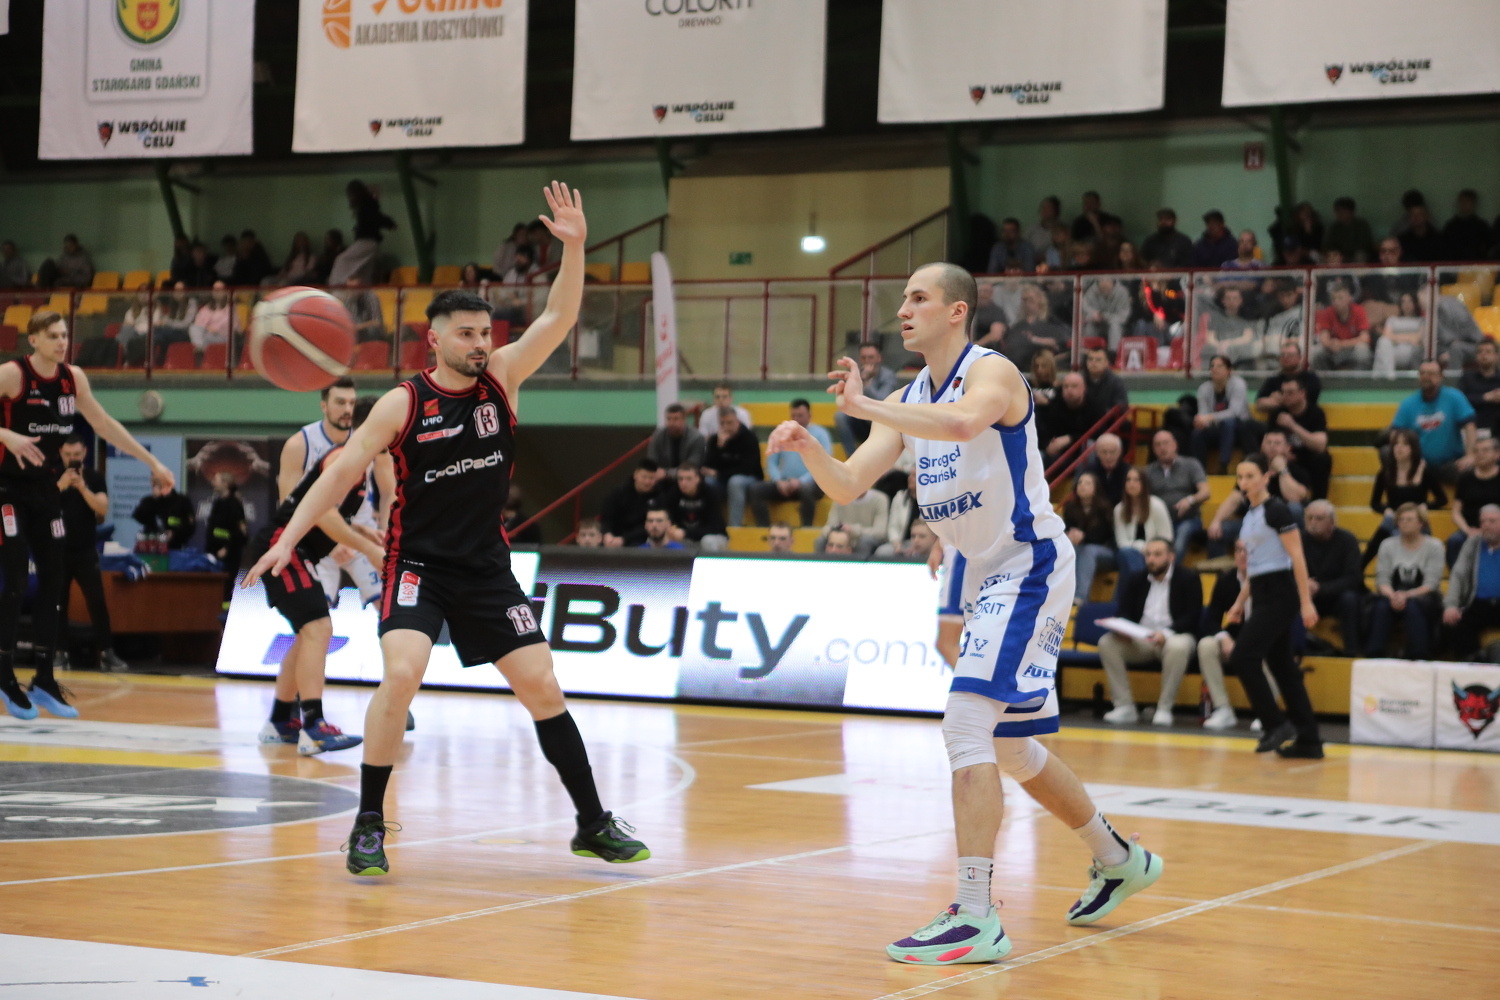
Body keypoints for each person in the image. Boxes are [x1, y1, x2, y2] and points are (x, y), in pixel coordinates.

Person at [245, 184, 650, 878]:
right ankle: (368, 825)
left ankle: (592, 822)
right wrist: (286, 539)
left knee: (544, 687)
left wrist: (575, 247)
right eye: (466, 334)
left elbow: (558, 314)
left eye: (484, 333)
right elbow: (338, 477)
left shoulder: (503, 379)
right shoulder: (403, 403)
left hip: (486, 568)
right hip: (418, 566)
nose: (480, 344)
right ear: (434, 339)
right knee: (402, 673)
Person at [766, 261, 1161, 964]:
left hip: (1028, 563)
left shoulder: (993, 372)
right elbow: (851, 485)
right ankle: (1118, 858)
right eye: (903, 299)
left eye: (918, 298)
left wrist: (867, 406)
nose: (903, 310)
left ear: (957, 311)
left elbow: (961, 422)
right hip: (981, 569)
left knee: (965, 724)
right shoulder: (909, 396)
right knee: (1007, 746)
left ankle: (976, 914)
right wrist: (812, 450)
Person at [0, 312, 174, 720]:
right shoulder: (12, 374)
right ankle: (4, 675)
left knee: (55, 578)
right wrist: (5, 435)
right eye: (53, 335)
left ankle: (44, 679)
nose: (62, 342)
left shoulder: (72, 379)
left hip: (46, 490)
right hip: (7, 489)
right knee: (17, 577)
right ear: (33, 340)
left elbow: (105, 424)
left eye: (65, 335)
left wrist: (152, 462)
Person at [249, 404, 385, 755]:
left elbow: (329, 513)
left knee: (309, 632)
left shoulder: (361, 464)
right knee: (318, 628)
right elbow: (323, 514)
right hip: (285, 546)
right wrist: (368, 549)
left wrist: (364, 533)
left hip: (301, 551)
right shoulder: (343, 459)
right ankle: (314, 725)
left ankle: (280, 721)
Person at [1218, 453, 1322, 757]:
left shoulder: (1277, 510)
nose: (1244, 482)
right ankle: (1310, 740)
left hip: (1281, 592)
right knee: (1283, 667)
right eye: (1240, 477)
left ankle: (1275, 724)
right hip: (1262, 590)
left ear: (1266, 477)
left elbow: (1297, 556)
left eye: (1251, 476)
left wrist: (1305, 602)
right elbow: (1256, 566)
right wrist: (1239, 603)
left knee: (1243, 656)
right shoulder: (1250, 515)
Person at [1096, 538, 1203, 727]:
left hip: (1174, 636)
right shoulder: (1136, 578)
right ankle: (1124, 706)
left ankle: (1164, 708)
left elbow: (1192, 616)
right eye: (1148, 554)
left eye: (1157, 554)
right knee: (1107, 642)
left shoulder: (1188, 578)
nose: (1151, 559)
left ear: (1171, 556)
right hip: (1143, 639)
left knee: (1178, 647)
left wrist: (1166, 633)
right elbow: (1124, 611)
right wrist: (1123, 628)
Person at [278, 377, 358, 599]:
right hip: (314, 536)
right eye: (340, 402)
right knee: (319, 614)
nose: (348, 409)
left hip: (358, 532)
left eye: (352, 403)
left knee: (389, 604)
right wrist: (328, 542)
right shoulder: (299, 445)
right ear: (324, 406)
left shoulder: (365, 441)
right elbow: (288, 508)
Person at [54, 436, 128, 673]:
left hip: (85, 550)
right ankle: (59, 653)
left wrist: (82, 487)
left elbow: (102, 508)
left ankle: (107, 652)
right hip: (57, 550)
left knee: (97, 601)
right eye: (68, 455)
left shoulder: (94, 478)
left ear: (84, 453)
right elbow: (41, 506)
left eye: (76, 455)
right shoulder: (53, 476)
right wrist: (61, 485)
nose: (72, 459)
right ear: (61, 453)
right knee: (58, 603)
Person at [1206, 428, 1309, 555]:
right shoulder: (1253, 470)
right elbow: (1234, 498)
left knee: (1294, 508)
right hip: (1255, 524)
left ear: (1287, 448)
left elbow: (1294, 498)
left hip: (1282, 528)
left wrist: (1282, 471)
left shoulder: (1297, 470)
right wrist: (1216, 521)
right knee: (1218, 530)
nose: (1272, 446)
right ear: (1262, 446)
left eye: (1277, 443)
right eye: (1268, 442)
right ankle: (1216, 566)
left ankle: (1295, 558)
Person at [1367, 504, 1444, 659]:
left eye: (1409, 519)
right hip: (1393, 593)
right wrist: (1393, 596)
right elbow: (1382, 579)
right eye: (1401, 520)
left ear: (1421, 523)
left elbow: (1431, 584)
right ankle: (1374, 653)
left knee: (1413, 607)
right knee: (1382, 606)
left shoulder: (1434, 546)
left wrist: (1406, 596)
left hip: (1424, 595)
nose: (1404, 523)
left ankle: (1419, 654)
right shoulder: (1387, 544)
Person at [1363, 427, 1445, 566]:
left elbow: (1442, 499)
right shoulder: (1385, 473)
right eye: (1396, 444)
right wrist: (1385, 509)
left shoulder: (1424, 471)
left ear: (1413, 448)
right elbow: (1374, 503)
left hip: (1417, 521)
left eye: (1405, 444)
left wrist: (1425, 506)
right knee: (1388, 522)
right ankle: (1360, 567)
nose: (1399, 448)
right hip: (1395, 520)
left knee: (1409, 524)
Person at [1193, 539, 1252, 731]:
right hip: (1235, 639)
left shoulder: (1272, 581)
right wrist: (1224, 638)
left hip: (1262, 640)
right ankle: (1223, 709)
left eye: (1247, 550)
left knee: (1271, 650)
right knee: (1207, 645)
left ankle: (1267, 712)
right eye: (1238, 550)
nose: (1242, 555)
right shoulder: (1226, 580)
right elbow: (1210, 620)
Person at [1393, 361, 1476, 483]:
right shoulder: (1408, 403)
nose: (1426, 377)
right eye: (1423, 373)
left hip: (1450, 463)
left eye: (1431, 373)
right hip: (1418, 465)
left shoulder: (1455, 397)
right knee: (1386, 454)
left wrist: (1470, 455)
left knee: (1471, 469)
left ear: (1441, 376)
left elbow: (1470, 426)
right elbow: (1396, 434)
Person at [750, 399, 829, 527]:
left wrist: (801, 481)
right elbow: (772, 461)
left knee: (806, 489)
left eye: (800, 415)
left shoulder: (820, 434)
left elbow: (823, 464)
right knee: (756, 490)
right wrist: (778, 480)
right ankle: (763, 528)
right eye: (793, 416)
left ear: (809, 416)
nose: (796, 419)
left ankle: (807, 529)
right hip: (785, 484)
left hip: (812, 483)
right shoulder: (782, 434)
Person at [1300, 501, 1364, 655]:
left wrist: (1320, 588)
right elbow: (1286, 571)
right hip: (1307, 595)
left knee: (1350, 599)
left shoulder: (1347, 540)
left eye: (1319, 518)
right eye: (1309, 518)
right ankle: (1296, 650)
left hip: (1336, 597)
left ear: (1332, 522)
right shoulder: (1298, 540)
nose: (1313, 522)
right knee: (1287, 597)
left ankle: (1352, 651)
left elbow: (1353, 578)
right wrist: (1303, 585)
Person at [1443, 504, 1500, 658]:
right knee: (1455, 622)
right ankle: (1472, 661)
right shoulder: (1473, 543)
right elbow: (1458, 574)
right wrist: (1451, 605)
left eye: (1492, 521)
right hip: (1478, 604)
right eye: (1483, 522)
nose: (1486, 525)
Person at [1146, 429, 1209, 565]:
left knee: (1182, 533)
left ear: (1175, 445)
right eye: (1158, 445)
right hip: (1161, 521)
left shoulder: (1191, 464)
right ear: (1154, 449)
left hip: (1189, 519)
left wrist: (1190, 500)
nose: (1162, 448)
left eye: (1166, 443)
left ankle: (1170, 570)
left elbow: (1205, 492)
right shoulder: (1148, 471)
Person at [1263, 377, 1331, 498]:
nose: (1286, 396)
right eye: (1283, 392)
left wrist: (1293, 426)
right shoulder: (1278, 412)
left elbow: (1320, 445)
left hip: (1306, 456)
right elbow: (1267, 441)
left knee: (1322, 459)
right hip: (1283, 457)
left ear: (1302, 393)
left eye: (1290, 392)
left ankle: (1319, 500)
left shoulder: (1315, 412)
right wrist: (1283, 454)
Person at [1062, 470, 1116, 605]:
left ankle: (1080, 597)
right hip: (1081, 547)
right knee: (1067, 550)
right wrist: (1071, 536)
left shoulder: (1105, 508)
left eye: (1087, 483)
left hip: (1105, 551)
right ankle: (1060, 596)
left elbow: (1103, 537)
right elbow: (1067, 529)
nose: (1082, 485)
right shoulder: (1070, 507)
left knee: (1088, 550)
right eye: (1080, 482)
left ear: (1096, 488)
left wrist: (1083, 537)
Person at [702, 406, 762, 528]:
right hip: (723, 479)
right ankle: (712, 525)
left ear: (737, 422)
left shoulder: (749, 438)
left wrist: (719, 474)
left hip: (749, 478)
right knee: (708, 482)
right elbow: (707, 467)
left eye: (729, 423)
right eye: (722, 423)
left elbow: (747, 468)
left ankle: (735, 527)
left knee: (735, 482)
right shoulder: (715, 439)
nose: (726, 427)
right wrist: (719, 447)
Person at [835, 344, 900, 455]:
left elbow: (882, 400)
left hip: (881, 419)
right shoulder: (855, 374)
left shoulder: (888, 376)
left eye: (871, 357)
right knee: (840, 416)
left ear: (879, 358)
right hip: (862, 418)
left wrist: (866, 383)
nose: (867, 361)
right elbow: (849, 399)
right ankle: (851, 456)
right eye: (863, 357)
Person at [330, 180, 397, 286]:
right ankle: (363, 288)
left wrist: (390, 224)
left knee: (341, 260)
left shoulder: (367, 207)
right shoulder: (367, 206)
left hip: (366, 242)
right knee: (365, 269)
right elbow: (376, 217)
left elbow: (377, 217)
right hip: (370, 242)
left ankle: (338, 283)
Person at [1448, 435, 1500, 565]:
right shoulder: (1465, 478)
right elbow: (1456, 512)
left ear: (1497, 454)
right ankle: (1458, 577)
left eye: (1485, 450)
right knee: (1454, 541)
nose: (1480, 454)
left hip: (1498, 529)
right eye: (1476, 451)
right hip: (1471, 529)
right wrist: (1467, 530)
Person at [1192, 355, 1250, 473]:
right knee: (1197, 433)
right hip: (1216, 428)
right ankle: (1198, 471)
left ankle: (1223, 465)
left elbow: (1234, 412)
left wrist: (1209, 417)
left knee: (1228, 423)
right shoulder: (1204, 388)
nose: (1215, 369)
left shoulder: (1238, 384)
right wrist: (1202, 422)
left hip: (1240, 429)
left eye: (1219, 366)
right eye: (1212, 366)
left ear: (1229, 371)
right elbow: (1203, 414)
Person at [1113, 467, 1170, 582]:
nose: (1131, 484)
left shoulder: (1157, 505)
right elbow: (1121, 542)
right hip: (1130, 553)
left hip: (1155, 552)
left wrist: (1149, 550)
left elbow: (1166, 538)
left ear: (1144, 483)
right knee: (1126, 553)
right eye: (1128, 480)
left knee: (1128, 565)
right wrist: (1141, 547)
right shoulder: (1119, 509)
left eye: (1136, 480)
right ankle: (1142, 583)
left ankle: (1135, 587)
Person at [1001, 284, 1071, 371]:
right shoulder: (1018, 326)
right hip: (1015, 368)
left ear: (1040, 300)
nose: (1026, 303)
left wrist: (1035, 339)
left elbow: (1059, 342)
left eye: (1030, 299)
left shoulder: (1051, 322)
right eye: (1024, 300)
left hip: (1039, 367)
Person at [207, 471, 248, 611]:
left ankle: (225, 614)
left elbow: (241, 534)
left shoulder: (235, 504)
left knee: (226, 586)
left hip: (230, 556)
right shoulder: (218, 503)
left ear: (225, 484)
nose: (213, 483)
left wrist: (227, 549)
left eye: (216, 480)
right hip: (214, 552)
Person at [662, 463, 727, 551]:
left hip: (714, 537)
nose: (684, 483)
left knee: (707, 541)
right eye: (680, 479)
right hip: (687, 539)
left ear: (698, 479)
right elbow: (669, 520)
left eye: (688, 479)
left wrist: (685, 533)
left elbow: (715, 527)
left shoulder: (710, 493)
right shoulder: (673, 494)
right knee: (661, 539)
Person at [601, 458, 664, 548]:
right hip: (614, 538)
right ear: (635, 475)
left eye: (651, 478)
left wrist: (624, 539)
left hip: (642, 541)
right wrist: (607, 534)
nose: (647, 482)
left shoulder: (659, 497)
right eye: (644, 477)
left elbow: (651, 525)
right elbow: (607, 518)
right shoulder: (618, 493)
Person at [1038, 372, 1100, 460]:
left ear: (1084, 388)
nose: (1069, 390)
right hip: (1057, 452)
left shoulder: (1094, 406)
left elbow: (1097, 433)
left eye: (1074, 386)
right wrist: (1047, 444)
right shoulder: (1055, 404)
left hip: (1081, 452)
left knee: (1090, 444)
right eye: (1066, 387)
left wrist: (1070, 438)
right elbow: (1044, 429)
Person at [1311, 282, 1372, 371]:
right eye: (1333, 299)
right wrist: (1330, 344)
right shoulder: (1327, 312)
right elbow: (1324, 338)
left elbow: (1365, 338)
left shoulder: (1359, 311)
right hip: (1333, 350)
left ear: (1349, 298)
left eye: (1340, 298)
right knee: (1316, 352)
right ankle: (1325, 378)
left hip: (1351, 349)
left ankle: (1358, 378)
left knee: (1363, 351)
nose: (1336, 302)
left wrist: (1341, 344)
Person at [816, 488, 888, 559]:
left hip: (865, 537)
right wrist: (834, 530)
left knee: (864, 542)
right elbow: (829, 525)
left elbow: (879, 532)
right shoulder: (840, 497)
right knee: (821, 541)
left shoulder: (879, 499)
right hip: (842, 536)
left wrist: (853, 530)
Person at [1198, 287, 1260, 369]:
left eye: (1235, 298)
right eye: (1228, 298)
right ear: (1223, 301)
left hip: (1240, 353)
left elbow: (1247, 338)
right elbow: (1210, 338)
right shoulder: (1215, 318)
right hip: (1219, 351)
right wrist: (1220, 346)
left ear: (1241, 300)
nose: (1231, 301)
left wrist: (1228, 344)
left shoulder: (1247, 319)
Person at [1373, 290, 1426, 377]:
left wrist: (1395, 338)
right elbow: (1386, 336)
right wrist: (1408, 338)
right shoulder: (1392, 320)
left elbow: (1418, 338)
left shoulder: (1421, 321)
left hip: (1411, 352)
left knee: (1384, 348)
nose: (1406, 304)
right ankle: (1389, 376)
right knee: (1383, 342)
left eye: (1409, 301)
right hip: (1392, 352)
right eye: (1403, 302)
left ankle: (1382, 377)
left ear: (1415, 303)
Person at [132, 479, 196, 548]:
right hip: (152, 544)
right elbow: (138, 516)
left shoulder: (182, 501)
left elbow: (190, 525)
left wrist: (174, 533)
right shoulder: (149, 501)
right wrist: (154, 500)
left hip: (174, 545)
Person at [646, 402, 705, 477]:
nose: (671, 423)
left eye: (675, 419)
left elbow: (693, 465)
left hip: (687, 478)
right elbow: (651, 461)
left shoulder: (696, 438)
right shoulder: (658, 435)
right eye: (668, 419)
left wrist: (666, 473)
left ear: (684, 419)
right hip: (660, 478)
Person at [1459, 337, 1500, 437]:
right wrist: (1485, 397)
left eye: (1488, 351)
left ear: (1497, 356)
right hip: (1471, 429)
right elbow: (1459, 401)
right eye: (1480, 352)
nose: (1484, 354)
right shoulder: (1467, 378)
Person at [1443, 190, 1492, 262]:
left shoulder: (1481, 226)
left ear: (1473, 204)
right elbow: (1445, 247)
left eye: (1468, 201)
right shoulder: (1451, 226)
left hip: (1476, 265)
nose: (1464, 204)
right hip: (1454, 265)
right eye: (1462, 201)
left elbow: (1487, 247)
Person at [1323, 196, 1376, 263]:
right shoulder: (1334, 227)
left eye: (1344, 211)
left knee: (1360, 255)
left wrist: (1347, 254)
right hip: (1339, 256)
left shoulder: (1362, 225)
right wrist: (1336, 254)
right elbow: (1328, 245)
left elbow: (1366, 244)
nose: (1341, 214)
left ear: (1351, 212)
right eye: (1338, 211)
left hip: (1356, 254)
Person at [1082, 346, 1128, 415]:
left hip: (1108, 420)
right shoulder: (1080, 381)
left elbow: (1121, 408)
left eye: (1098, 360)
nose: (1093, 362)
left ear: (1106, 363)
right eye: (1090, 359)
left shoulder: (1116, 382)